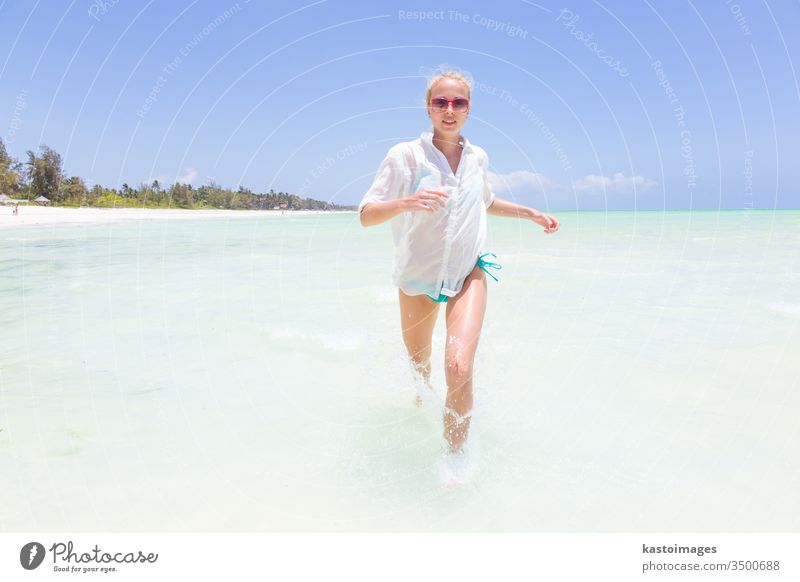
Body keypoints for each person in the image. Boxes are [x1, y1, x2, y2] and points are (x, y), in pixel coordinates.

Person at [358, 70, 559, 483]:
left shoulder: (477, 158)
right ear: (428, 107)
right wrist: (407, 201)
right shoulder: (405, 156)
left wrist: (531, 213)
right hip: (418, 277)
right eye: (441, 102)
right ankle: (420, 408)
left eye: (459, 103)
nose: (449, 110)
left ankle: (456, 459)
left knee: (458, 364)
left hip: (469, 272)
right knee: (420, 369)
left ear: (470, 109)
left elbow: (485, 201)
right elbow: (366, 215)